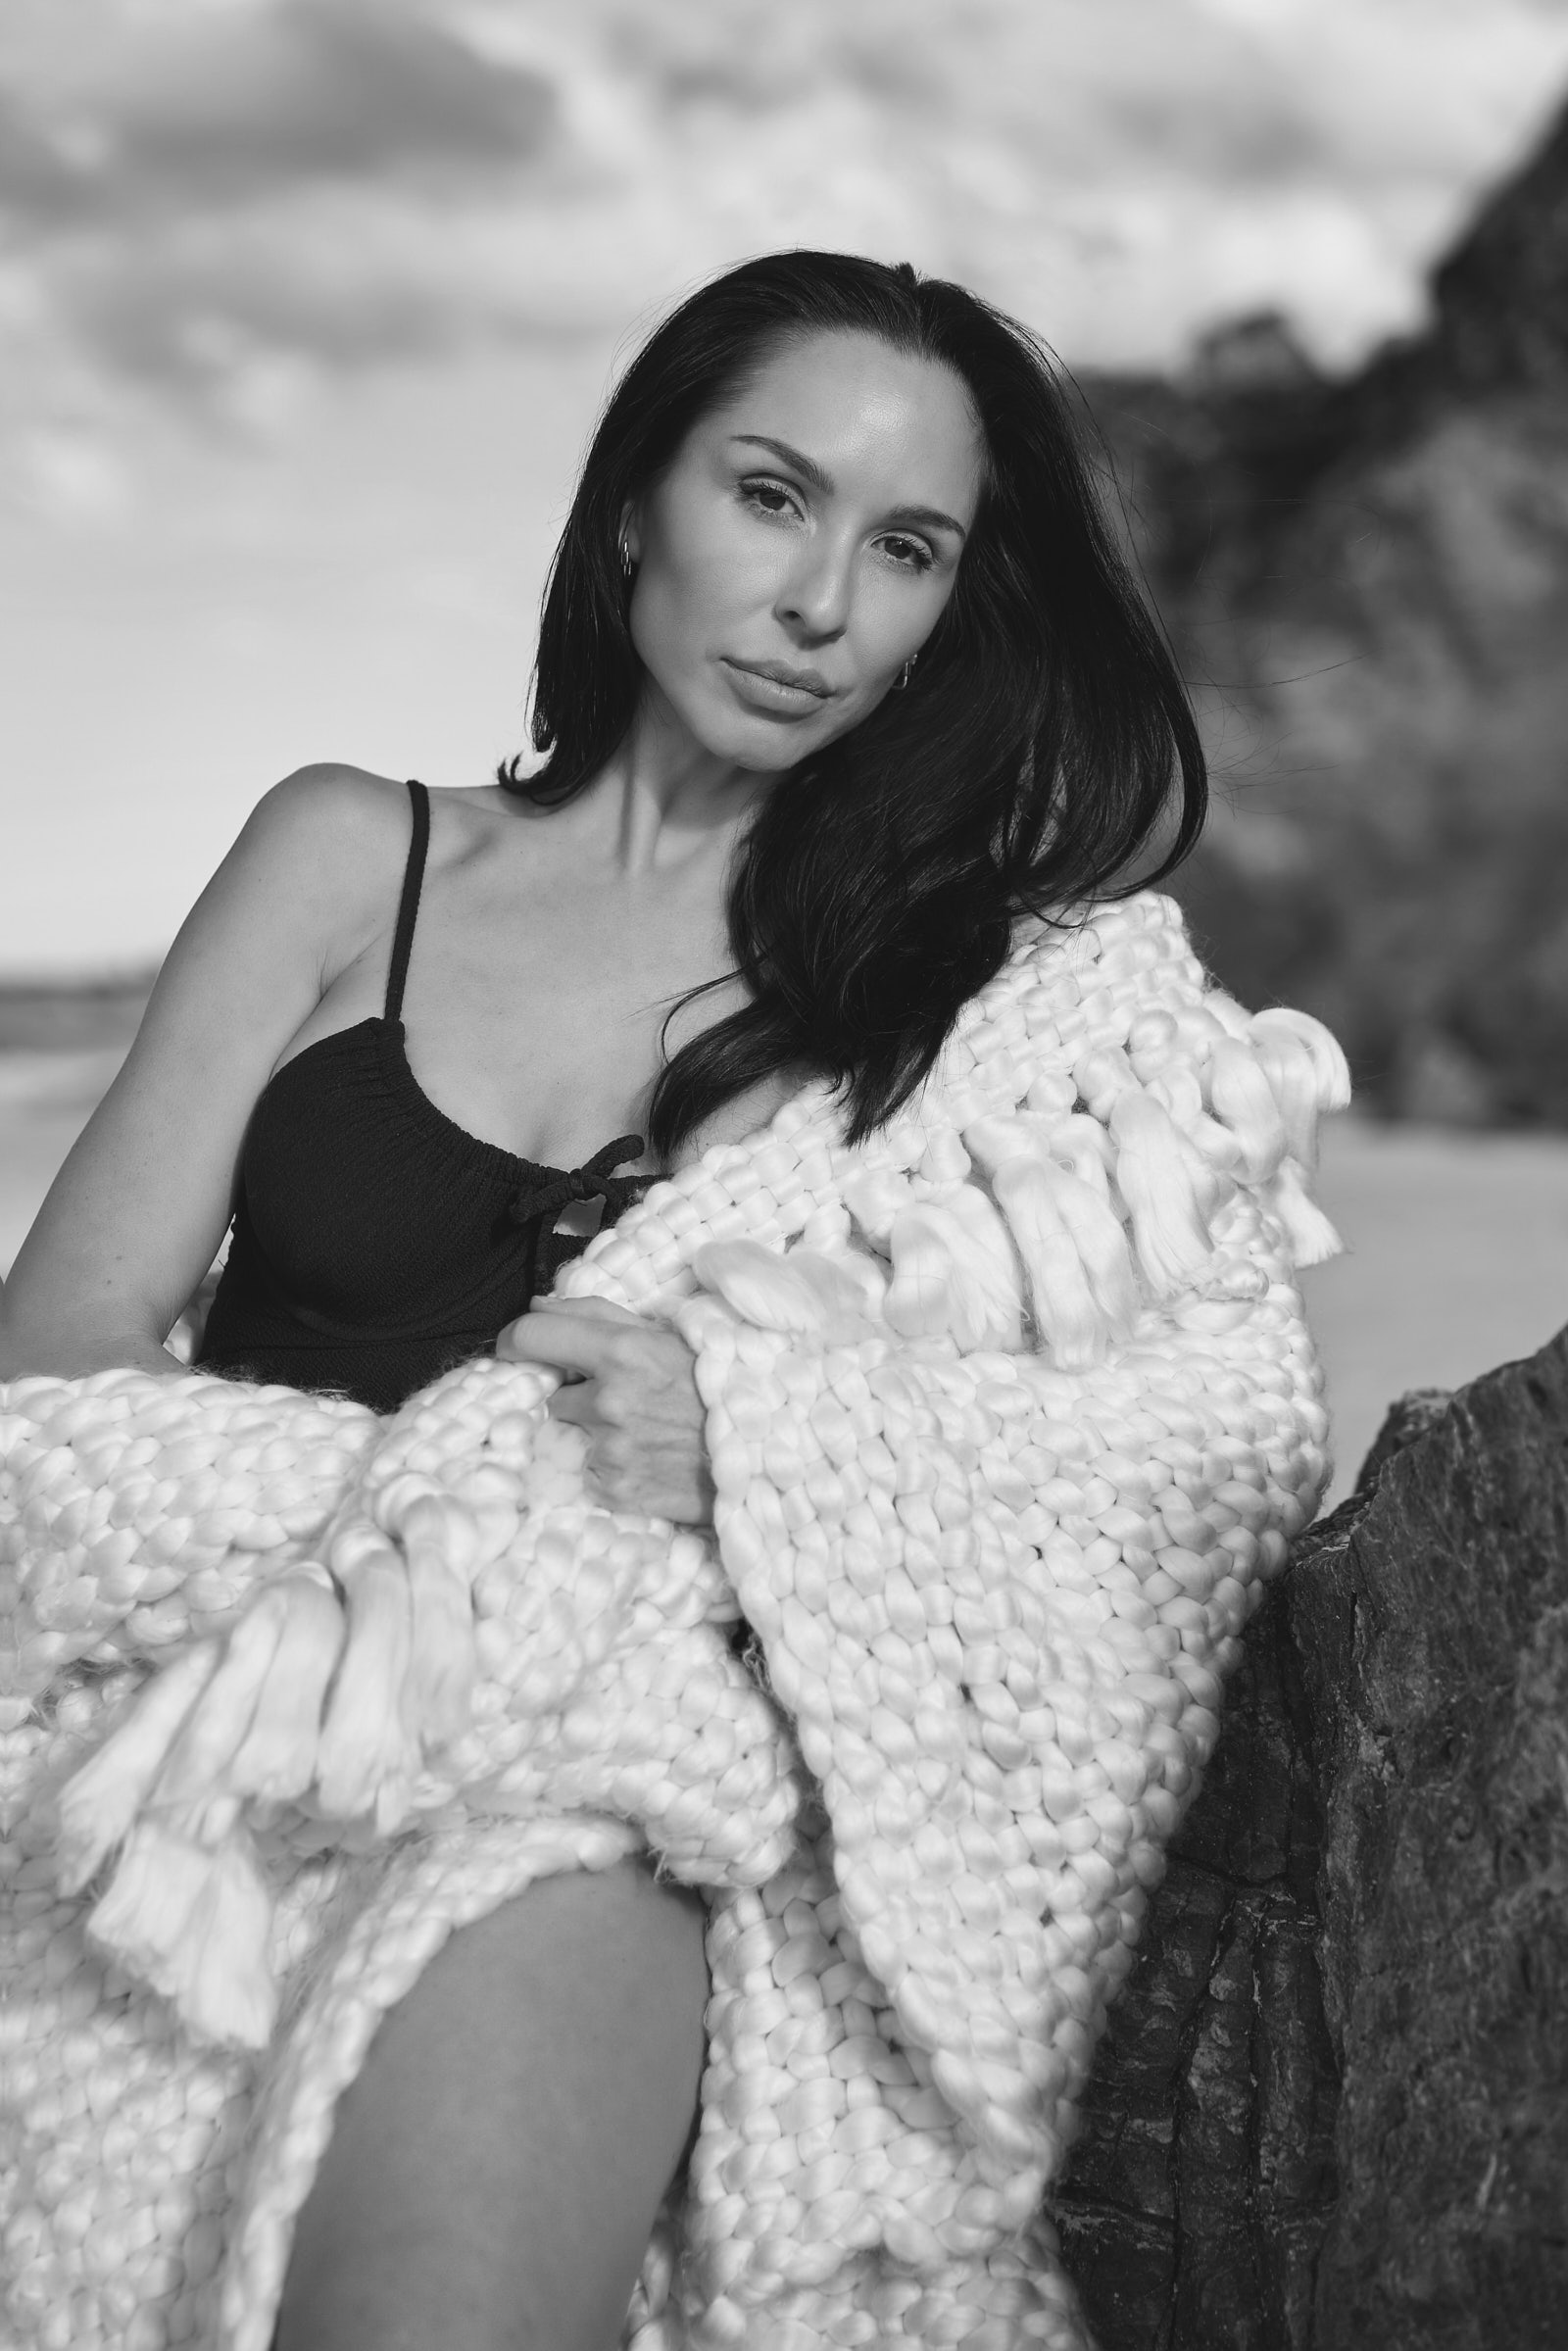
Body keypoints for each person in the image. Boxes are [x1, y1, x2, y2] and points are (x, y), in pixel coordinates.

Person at [0, 252, 1205, 2350]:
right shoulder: (344, 857)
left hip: (597, 1786)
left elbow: (1158, 1465)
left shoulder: (954, 1015)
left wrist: (766, 1455)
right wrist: (402, 1557)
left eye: (904, 549)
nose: (819, 602)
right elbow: (53, 1361)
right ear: (639, 499)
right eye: (772, 495)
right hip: (182, 1723)